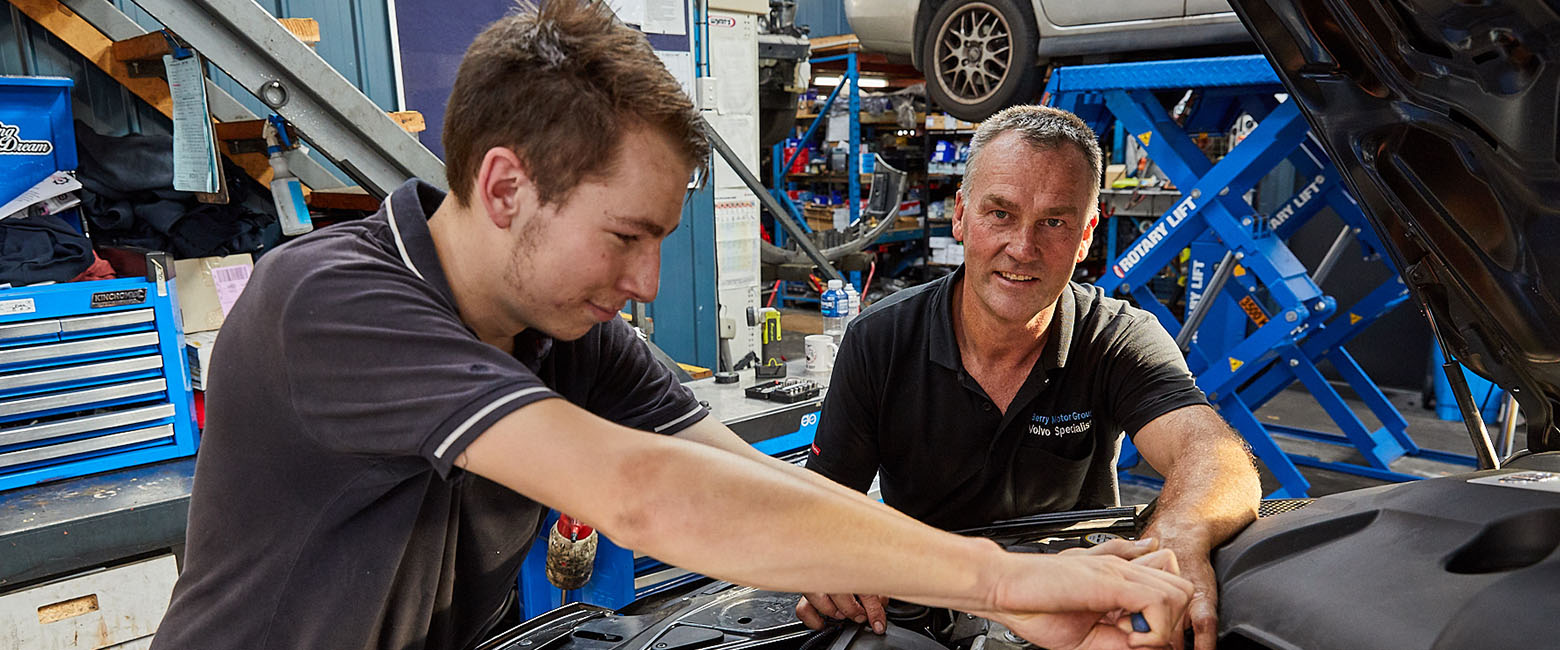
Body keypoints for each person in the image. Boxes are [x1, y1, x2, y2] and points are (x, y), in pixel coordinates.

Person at [149, 5, 1194, 650]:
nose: (647, 282)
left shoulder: (565, 333)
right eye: (626, 236)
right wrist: (1007, 577)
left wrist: (973, 586)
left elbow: (745, 478)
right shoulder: (329, 302)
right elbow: (645, 493)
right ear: (506, 187)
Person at [799, 105, 1261, 650]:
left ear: (1086, 235)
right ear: (961, 216)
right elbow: (820, 506)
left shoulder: (1116, 337)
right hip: (924, 607)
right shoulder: (880, 341)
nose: (1023, 248)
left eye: (1054, 222)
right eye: (1000, 213)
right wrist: (828, 560)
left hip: (1081, 611)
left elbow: (1212, 453)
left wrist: (1180, 534)